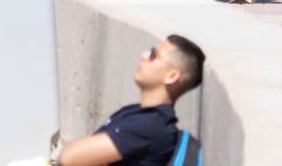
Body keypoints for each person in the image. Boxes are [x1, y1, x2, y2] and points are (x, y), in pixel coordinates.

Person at [50, 36, 205, 166]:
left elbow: (69, 157)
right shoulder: (137, 112)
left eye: (154, 55)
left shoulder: (149, 126)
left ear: (172, 76)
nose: (144, 55)